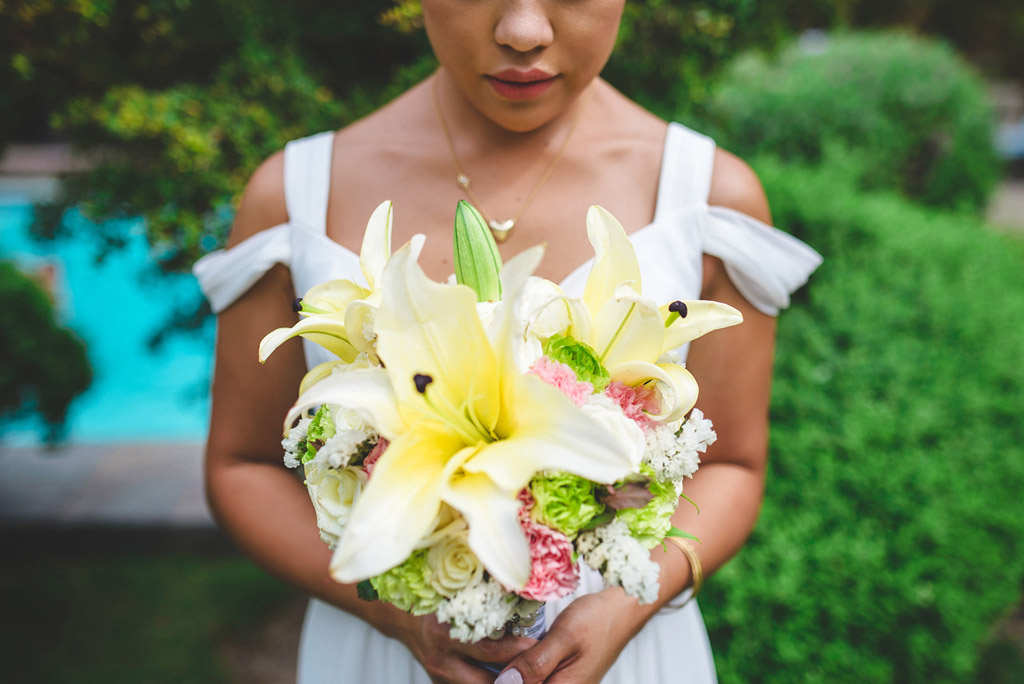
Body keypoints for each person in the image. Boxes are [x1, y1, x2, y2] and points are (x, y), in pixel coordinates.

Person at [193, 1, 821, 682]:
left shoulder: (711, 197)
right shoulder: (293, 196)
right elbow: (242, 465)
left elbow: (732, 464)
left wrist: (625, 605)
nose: (524, 31)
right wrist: (391, 612)